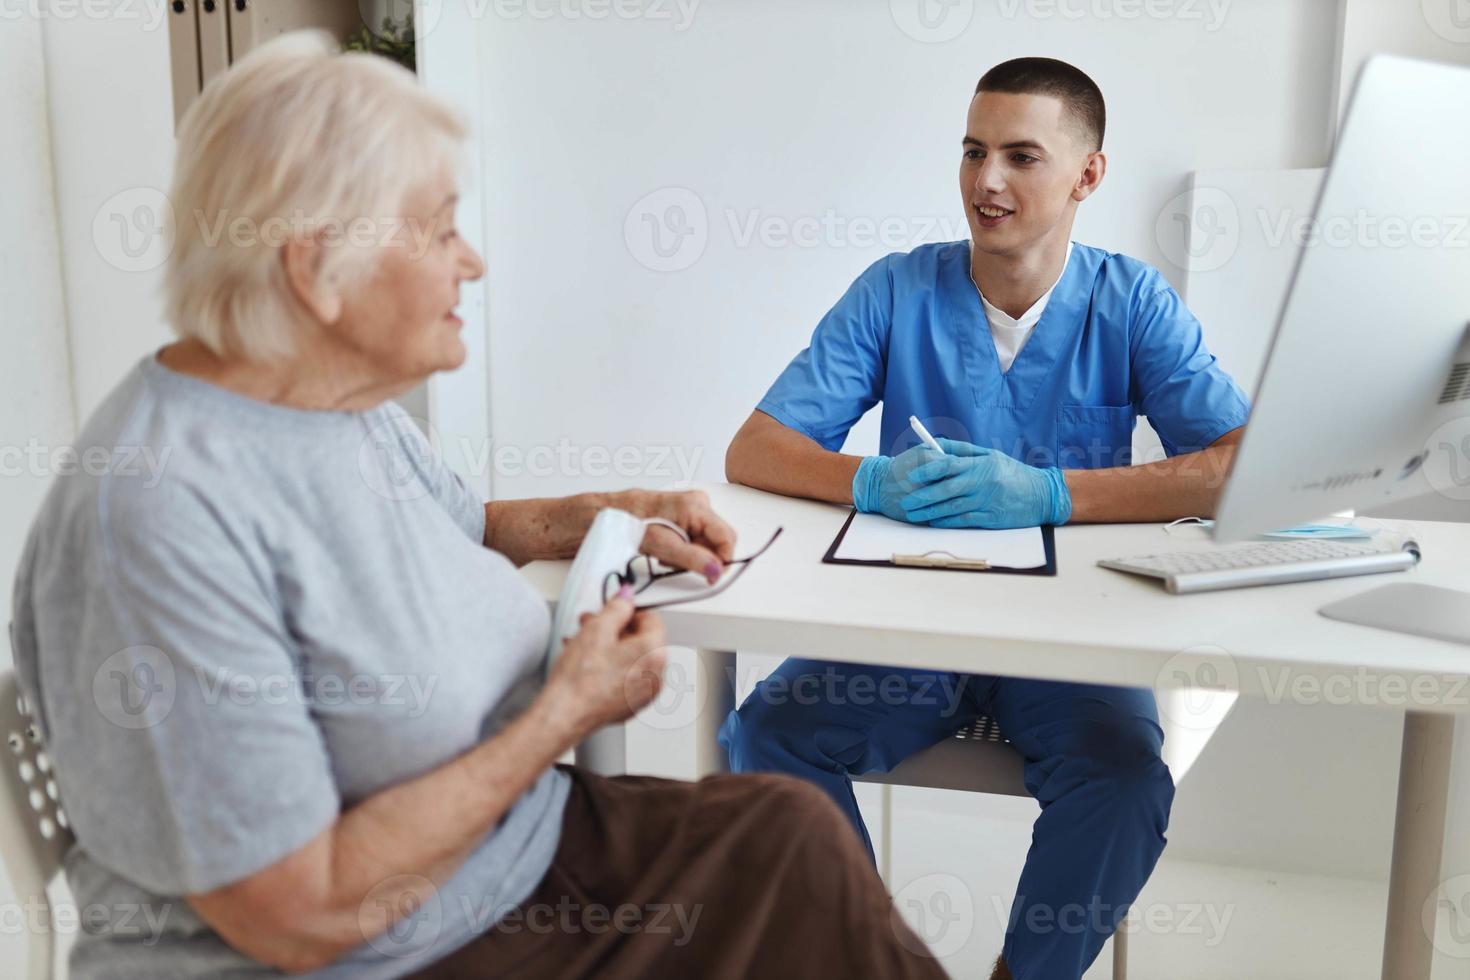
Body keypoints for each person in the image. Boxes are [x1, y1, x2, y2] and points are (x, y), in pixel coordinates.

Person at [8, 33, 949, 980]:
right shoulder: (156, 518)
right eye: (440, 228)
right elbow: (294, 915)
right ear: (315, 268)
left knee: (790, 834)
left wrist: (611, 512)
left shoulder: (335, 405)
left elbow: (469, 525)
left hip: (514, 858)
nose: (473, 264)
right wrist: (562, 713)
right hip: (386, 953)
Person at [719, 57, 1251, 980]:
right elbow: (756, 449)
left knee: (1125, 783)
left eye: (1019, 155)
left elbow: (1239, 464)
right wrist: (868, 482)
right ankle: (871, 959)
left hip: (1066, 644)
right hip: (911, 634)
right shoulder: (896, 291)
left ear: (1088, 175)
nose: (986, 181)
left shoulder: (1130, 304)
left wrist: (1055, 496)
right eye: (972, 151)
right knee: (763, 738)